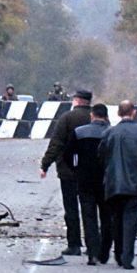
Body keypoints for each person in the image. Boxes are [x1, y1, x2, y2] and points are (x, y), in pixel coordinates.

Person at [98, 100, 137, 269]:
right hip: (135, 181)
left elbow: (101, 154)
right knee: (131, 219)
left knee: (116, 218)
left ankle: (118, 252)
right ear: (134, 112)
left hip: (114, 181)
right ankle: (127, 257)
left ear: (118, 113)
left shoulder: (110, 132)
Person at [40, 88, 92, 256]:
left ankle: (74, 244)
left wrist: (45, 164)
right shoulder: (96, 118)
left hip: (68, 170)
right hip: (92, 171)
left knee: (71, 208)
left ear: (76, 101)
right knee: (90, 208)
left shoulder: (67, 118)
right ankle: (93, 244)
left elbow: (56, 143)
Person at [66, 103, 113, 266]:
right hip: (107, 180)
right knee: (107, 216)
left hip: (85, 179)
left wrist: (75, 170)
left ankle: (92, 252)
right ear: (106, 116)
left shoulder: (79, 132)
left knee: (89, 216)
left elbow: (67, 154)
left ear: (92, 115)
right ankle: (105, 251)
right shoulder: (112, 133)